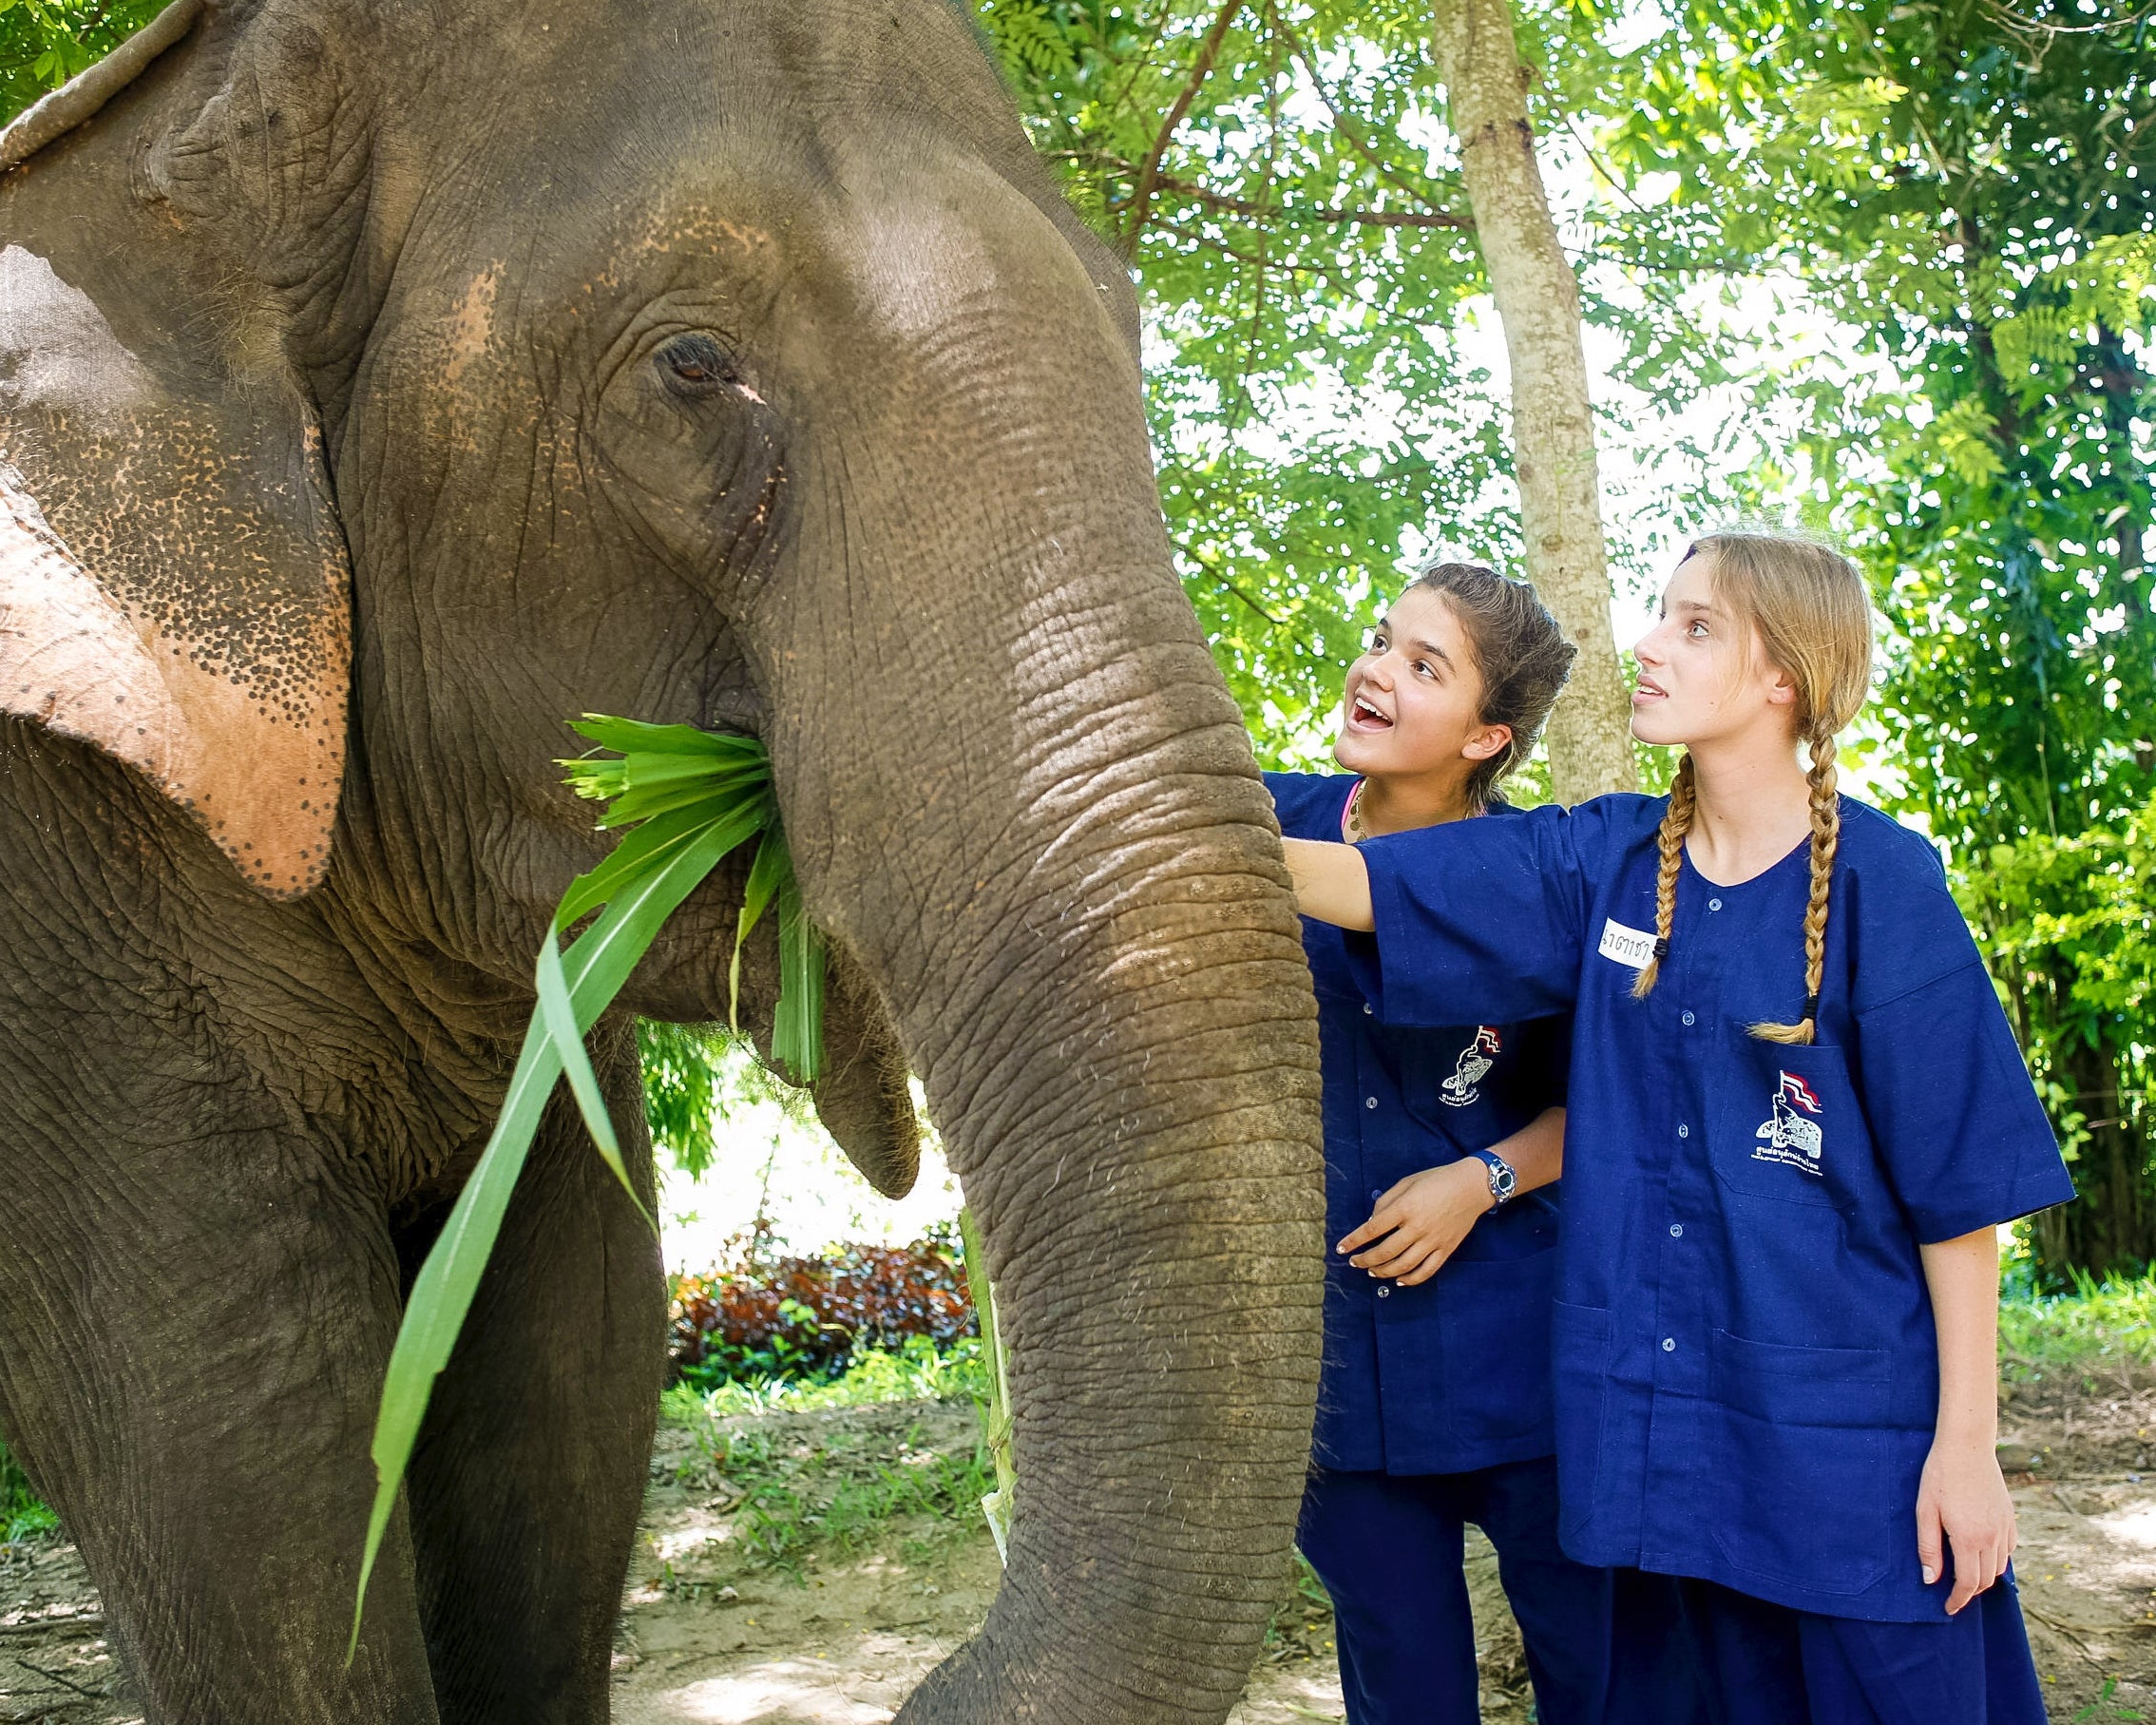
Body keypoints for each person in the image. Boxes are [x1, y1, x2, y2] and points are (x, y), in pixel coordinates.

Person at [1282, 530, 2072, 1724]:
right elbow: (1373, 887)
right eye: (1660, 615)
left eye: (1693, 625)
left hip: (1848, 1445)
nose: (1647, 643)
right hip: (1660, 1447)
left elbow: (1958, 1199)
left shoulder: (1884, 886)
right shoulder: (1602, 858)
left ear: (1782, 682)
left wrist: (1968, 1448)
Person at [1273, 558, 1683, 1725]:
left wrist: (1481, 1176)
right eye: (1380, 641)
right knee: (1401, 1686)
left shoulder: (1548, 879)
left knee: (1604, 1675)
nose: (1375, 672)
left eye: (1422, 665)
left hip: (1523, 1347)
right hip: (1340, 1361)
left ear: (1487, 735)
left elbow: (1604, 1101)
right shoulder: (1263, 819)